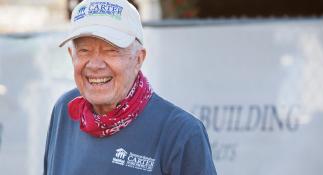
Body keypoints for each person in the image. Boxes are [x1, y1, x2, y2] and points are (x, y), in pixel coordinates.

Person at [43, 0, 217, 174]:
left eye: (111, 50)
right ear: (71, 56)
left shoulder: (181, 133)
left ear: (138, 59)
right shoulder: (64, 110)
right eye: (84, 50)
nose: (95, 65)